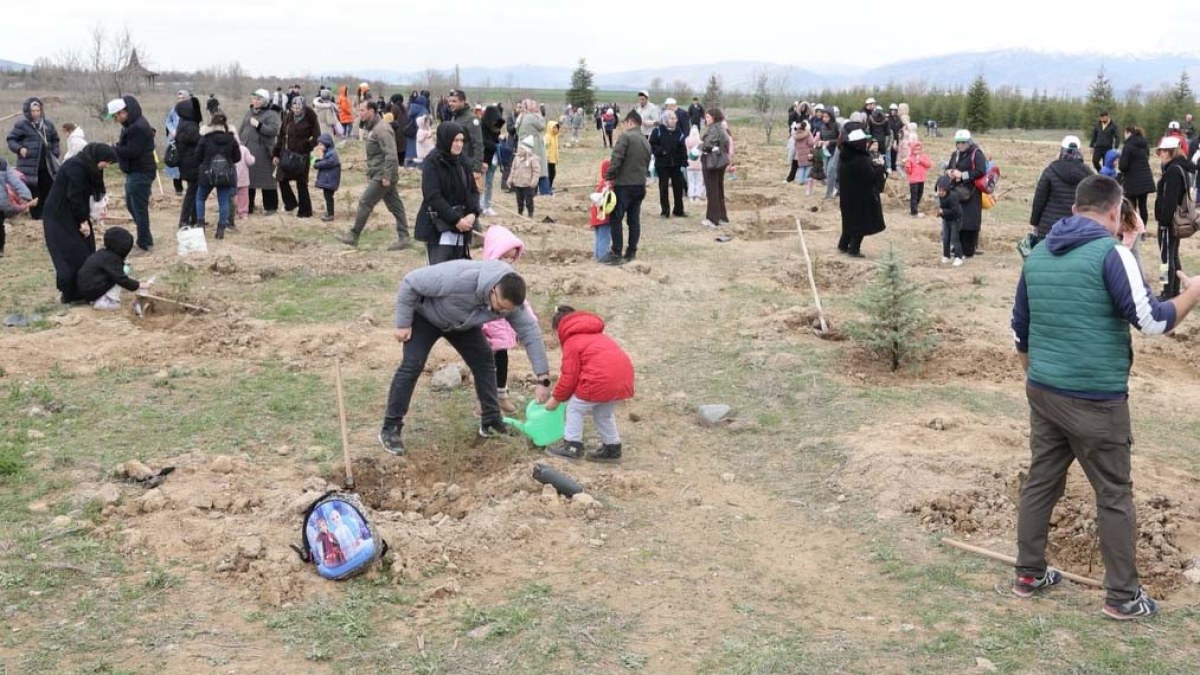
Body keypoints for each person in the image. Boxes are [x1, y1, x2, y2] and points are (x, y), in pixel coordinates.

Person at [1010, 173, 1200, 621]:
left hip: (1044, 390)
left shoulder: (1037, 255)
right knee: (1114, 494)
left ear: (1075, 210)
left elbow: (1020, 330)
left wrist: (1035, 379)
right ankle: (1122, 597)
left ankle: (1028, 573)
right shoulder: (1113, 255)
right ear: (1116, 212)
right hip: (1097, 399)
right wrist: (1192, 293)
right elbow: (1152, 321)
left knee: (1041, 482)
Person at [378, 261, 552, 455]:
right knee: (412, 365)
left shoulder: (511, 303)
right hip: (425, 317)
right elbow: (410, 282)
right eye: (500, 307)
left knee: (485, 361)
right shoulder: (458, 278)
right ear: (493, 290)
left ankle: (491, 422)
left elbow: (530, 332)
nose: (501, 313)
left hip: (461, 325)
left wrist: (542, 377)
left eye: (506, 310)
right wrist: (403, 323)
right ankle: (391, 428)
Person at [544, 306, 634, 462]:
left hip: (601, 381)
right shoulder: (600, 337)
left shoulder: (572, 342)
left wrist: (555, 399)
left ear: (560, 328)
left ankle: (572, 446)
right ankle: (613, 448)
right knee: (603, 413)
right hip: (623, 379)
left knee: (575, 407)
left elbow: (569, 377)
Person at [42, 143, 118, 301]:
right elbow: (74, 196)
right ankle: (71, 293)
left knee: (87, 247)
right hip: (59, 215)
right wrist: (83, 221)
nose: (107, 166)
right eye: (107, 162)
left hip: (72, 212)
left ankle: (85, 287)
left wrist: (91, 215)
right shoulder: (76, 167)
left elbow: (86, 196)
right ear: (98, 157)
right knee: (72, 252)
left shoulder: (87, 166)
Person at [337, 101, 411, 250]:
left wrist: (387, 176)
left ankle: (354, 235)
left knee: (365, 202)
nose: (360, 113)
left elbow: (391, 154)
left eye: (363, 110)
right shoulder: (374, 128)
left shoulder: (382, 129)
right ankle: (404, 237)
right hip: (379, 172)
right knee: (395, 206)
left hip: (383, 174)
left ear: (371, 111)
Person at [480, 225, 534, 414]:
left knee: (502, 361)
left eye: (512, 258)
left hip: (502, 332)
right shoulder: (484, 276)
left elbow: (521, 303)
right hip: (487, 332)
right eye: (505, 257)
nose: (509, 261)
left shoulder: (512, 277)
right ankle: (484, 401)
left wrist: (530, 321)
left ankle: (501, 395)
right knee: (484, 366)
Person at [414, 122, 481, 264]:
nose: (459, 144)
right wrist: (455, 220)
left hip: (462, 227)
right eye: (455, 140)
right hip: (439, 227)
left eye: (461, 140)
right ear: (446, 139)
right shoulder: (433, 162)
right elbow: (433, 196)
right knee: (439, 275)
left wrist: (473, 213)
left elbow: (473, 191)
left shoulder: (463, 161)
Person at [107, 96, 156, 254]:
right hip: (134, 172)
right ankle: (145, 235)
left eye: (116, 116)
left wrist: (113, 149)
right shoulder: (130, 125)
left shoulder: (138, 127)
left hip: (141, 172)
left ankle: (144, 243)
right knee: (131, 205)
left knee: (138, 208)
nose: (116, 120)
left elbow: (132, 151)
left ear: (122, 112)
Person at [602, 111, 651, 265]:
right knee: (634, 220)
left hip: (624, 185)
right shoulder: (645, 140)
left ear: (630, 122)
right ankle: (631, 252)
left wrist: (608, 177)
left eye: (625, 123)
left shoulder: (626, 137)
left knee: (616, 219)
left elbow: (616, 159)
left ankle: (616, 253)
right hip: (639, 185)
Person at [1030, 135, 1093, 244]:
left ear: (1062, 150)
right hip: (1076, 229)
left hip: (1049, 228)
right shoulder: (1088, 174)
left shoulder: (1050, 170)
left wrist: (1034, 222)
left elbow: (1039, 199)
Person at [1153, 135, 1194, 299]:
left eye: (1161, 152)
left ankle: (1166, 292)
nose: (1159, 155)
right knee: (1172, 255)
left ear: (1169, 152)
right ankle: (1174, 290)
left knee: (1166, 259)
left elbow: (1170, 199)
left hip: (1168, 222)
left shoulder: (1173, 171)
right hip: (1173, 221)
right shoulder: (1179, 168)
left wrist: (1163, 222)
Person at [7, 97, 60, 220]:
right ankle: (36, 214)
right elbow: (11, 140)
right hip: (29, 164)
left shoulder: (48, 125)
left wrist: (55, 152)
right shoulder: (21, 125)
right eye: (33, 111)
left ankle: (47, 212)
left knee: (48, 187)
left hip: (47, 164)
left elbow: (55, 140)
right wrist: (19, 149)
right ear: (28, 112)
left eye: (38, 110)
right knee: (34, 189)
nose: (36, 113)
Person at [836, 128, 887, 257]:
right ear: (859, 143)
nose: (867, 143)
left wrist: (871, 164)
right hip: (862, 198)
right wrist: (880, 168)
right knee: (861, 223)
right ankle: (854, 249)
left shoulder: (845, 156)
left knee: (849, 221)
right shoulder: (861, 159)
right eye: (865, 141)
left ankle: (843, 245)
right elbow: (870, 178)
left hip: (847, 197)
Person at [194, 112, 241, 239]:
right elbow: (238, 157)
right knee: (223, 202)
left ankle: (200, 225)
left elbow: (197, 156)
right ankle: (221, 230)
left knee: (200, 199)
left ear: (211, 123)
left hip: (207, 174)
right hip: (226, 175)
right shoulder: (231, 139)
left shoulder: (205, 138)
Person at [272, 96, 320, 218]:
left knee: (301, 184)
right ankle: (290, 203)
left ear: (303, 107)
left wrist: (307, 146)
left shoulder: (311, 118)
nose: (296, 109)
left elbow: (316, 137)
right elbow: (281, 136)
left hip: (301, 156)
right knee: (281, 179)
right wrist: (276, 153)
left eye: (298, 107)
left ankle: (305, 211)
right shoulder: (288, 117)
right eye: (294, 107)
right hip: (286, 154)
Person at [75, 227, 146, 308]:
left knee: (121, 272)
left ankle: (98, 298)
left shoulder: (103, 253)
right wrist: (139, 285)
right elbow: (121, 279)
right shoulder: (112, 260)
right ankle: (106, 301)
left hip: (86, 288)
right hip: (92, 290)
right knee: (120, 276)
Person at [945, 129, 988, 257]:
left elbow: (981, 170)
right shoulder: (955, 154)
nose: (961, 145)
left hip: (972, 193)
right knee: (958, 219)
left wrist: (963, 175)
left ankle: (969, 248)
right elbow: (950, 166)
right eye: (959, 142)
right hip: (957, 192)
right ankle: (957, 246)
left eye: (964, 142)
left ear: (969, 141)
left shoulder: (977, 153)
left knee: (970, 221)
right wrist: (949, 172)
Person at [239, 89, 282, 216]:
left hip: (264, 152)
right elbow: (242, 129)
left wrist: (258, 125)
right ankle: (248, 207)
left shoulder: (272, 114)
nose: (255, 101)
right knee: (248, 181)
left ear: (265, 101)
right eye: (254, 98)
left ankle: (270, 207)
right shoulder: (249, 112)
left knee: (267, 181)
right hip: (248, 152)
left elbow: (273, 131)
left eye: (258, 99)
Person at [173, 95, 204, 229]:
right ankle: (184, 220)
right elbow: (201, 141)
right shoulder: (190, 127)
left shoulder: (183, 123)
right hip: (191, 164)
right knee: (192, 193)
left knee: (193, 191)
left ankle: (194, 218)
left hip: (187, 164)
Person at [649, 111, 687, 217]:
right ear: (665, 119)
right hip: (663, 164)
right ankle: (665, 210)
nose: (674, 120)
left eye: (675, 118)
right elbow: (652, 145)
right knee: (663, 188)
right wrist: (661, 151)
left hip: (676, 164)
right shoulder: (658, 131)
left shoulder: (678, 131)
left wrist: (684, 162)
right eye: (671, 118)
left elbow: (682, 148)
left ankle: (678, 210)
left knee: (678, 187)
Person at [700, 109, 730, 229]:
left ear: (714, 117)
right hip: (721, 162)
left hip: (712, 163)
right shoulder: (722, 128)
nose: (705, 119)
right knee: (718, 189)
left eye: (707, 117)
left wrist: (699, 147)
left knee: (712, 190)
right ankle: (722, 216)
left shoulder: (713, 129)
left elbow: (708, 145)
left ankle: (713, 219)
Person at [447, 89, 485, 187]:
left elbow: (478, 144)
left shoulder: (471, 119)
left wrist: (477, 169)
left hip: (467, 166)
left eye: (454, 101)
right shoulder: (454, 118)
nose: (451, 104)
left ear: (463, 102)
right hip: (455, 164)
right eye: (450, 101)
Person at [1117, 126, 1154, 225]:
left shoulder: (1127, 146)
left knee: (1132, 206)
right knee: (1143, 206)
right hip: (1145, 179)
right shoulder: (1144, 145)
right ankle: (1143, 229)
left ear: (1128, 133)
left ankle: (1134, 227)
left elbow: (1123, 166)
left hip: (1132, 180)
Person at [0, 157, 34, 256]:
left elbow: (15, 181)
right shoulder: (2, 163)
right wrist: (25, 195)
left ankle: (0, 249)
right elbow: (15, 181)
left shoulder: (2, 163)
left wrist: (25, 195)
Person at [515, 100, 548, 196]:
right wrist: (540, 116)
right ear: (529, 107)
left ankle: (531, 193)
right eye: (533, 104)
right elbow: (542, 126)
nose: (535, 106)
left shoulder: (521, 117)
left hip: (525, 147)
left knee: (529, 171)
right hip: (534, 148)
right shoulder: (531, 117)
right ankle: (545, 193)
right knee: (539, 171)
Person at [481, 104, 505, 215]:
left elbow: (496, 138)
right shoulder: (481, 127)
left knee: (489, 183)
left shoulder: (495, 127)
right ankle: (480, 205)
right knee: (481, 183)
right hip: (483, 159)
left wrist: (500, 143)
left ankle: (488, 205)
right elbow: (482, 142)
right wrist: (495, 146)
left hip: (493, 159)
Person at [509, 136, 540, 220]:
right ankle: (520, 212)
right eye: (519, 149)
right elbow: (513, 169)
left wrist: (534, 182)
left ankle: (530, 213)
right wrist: (510, 179)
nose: (519, 151)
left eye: (522, 149)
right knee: (519, 200)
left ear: (527, 150)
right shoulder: (516, 158)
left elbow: (536, 172)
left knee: (529, 200)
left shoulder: (533, 159)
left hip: (528, 184)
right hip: (518, 183)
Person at [935, 175, 963, 266]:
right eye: (939, 190)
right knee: (945, 237)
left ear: (947, 190)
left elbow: (954, 211)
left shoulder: (952, 197)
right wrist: (939, 212)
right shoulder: (938, 197)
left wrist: (943, 211)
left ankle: (958, 257)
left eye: (942, 190)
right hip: (946, 219)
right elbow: (939, 207)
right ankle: (946, 255)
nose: (940, 192)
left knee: (954, 238)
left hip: (955, 219)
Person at [163, 90, 187, 194]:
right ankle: (178, 188)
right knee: (175, 162)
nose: (180, 100)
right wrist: (172, 130)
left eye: (183, 98)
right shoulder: (174, 109)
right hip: (174, 140)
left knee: (186, 164)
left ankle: (190, 186)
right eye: (179, 98)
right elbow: (168, 121)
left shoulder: (191, 110)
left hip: (186, 140)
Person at [313, 133, 341, 222]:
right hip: (328, 181)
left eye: (321, 144)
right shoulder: (328, 153)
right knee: (327, 197)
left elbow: (327, 163)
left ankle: (330, 214)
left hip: (330, 181)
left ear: (327, 143)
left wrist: (317, 164)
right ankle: (329, 212)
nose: (319, 147)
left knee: (329, 198)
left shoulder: (332, 154)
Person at [589, 159, 614, 260]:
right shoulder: (609, 184)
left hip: (595, 216)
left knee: (599, 237)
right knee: (604, 237)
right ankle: (603, 257)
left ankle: (596, 255)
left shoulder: (601, 183)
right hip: (603, 216)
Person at [232, 127, 255, 224]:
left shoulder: (227, 149)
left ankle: (232, 212)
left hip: (232, 178)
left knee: (232, 196)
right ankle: (243, 212)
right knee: (244, 197)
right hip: (243, 179)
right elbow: (250, 161)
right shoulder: (244, 149)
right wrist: (253, 158)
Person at [903, 138, 931, 216]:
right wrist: (907, 166)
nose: (917, 151)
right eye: (915, 149)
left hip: (921, 179)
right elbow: (908, 171)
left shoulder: (924, 156)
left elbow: (929, 165)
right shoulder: (910, 158)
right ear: (912, 150)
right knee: (914, 195)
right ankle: (914, 211)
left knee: (920, 193)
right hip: (913, 180)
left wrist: (921, 161)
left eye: (919, 149)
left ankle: (914, 207)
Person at [405, 93, 430, 166]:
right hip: (419, 134)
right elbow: (425, 124)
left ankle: (408, 165)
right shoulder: (424, 111)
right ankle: (413, 167)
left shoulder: (411, 108)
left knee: (410, 151)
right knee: (417, 152)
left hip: (411, 132)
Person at [793, 122, 817, 196]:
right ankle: (806, 181)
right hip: (807, 153)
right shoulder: (808, 134)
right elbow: (811, 143)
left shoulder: (796, 135)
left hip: (800, 154)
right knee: (808, 167)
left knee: (801, 167)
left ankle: (800, 181)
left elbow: (795, 144)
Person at [684, 125, 705, 203]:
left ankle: (691, 196)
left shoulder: (687, 141)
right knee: (699, 181)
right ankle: (697, 196)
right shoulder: (701, 143)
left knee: (691, 181)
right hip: (699, 165)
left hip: (689, 164)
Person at [544, 120, 561, 193]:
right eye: (554, 127)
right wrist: (546, 157)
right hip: (548, 159)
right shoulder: (547, 137)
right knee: (550, 173)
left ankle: (550, 186)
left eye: (557, 127)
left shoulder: (555, 137)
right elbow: (546, 147)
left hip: (553, 158)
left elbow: (556, 148)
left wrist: (557, 157)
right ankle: (547, 187)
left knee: (553, 173)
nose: (556, 129)